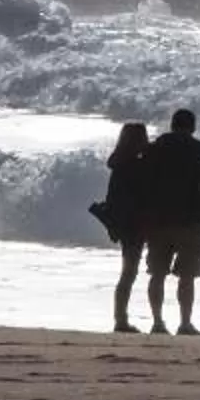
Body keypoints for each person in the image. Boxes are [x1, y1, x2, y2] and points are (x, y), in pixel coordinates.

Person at [141, 106, 200, 336]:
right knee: (187, 276)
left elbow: (143, 182)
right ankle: (185, 323)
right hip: (190, 221)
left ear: (173, 125)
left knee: (157, 273)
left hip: (158, 221)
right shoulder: (198, 150)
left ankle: (157, 323)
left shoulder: (155, 149)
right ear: (192, 127)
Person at [90, 120, 150, 333]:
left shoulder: (119, 164)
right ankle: (120, 320)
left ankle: (120, 318)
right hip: (134, 224)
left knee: (128, 271)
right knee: (129, 272)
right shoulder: (136, 166)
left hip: (124, 224)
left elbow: (113, 198)